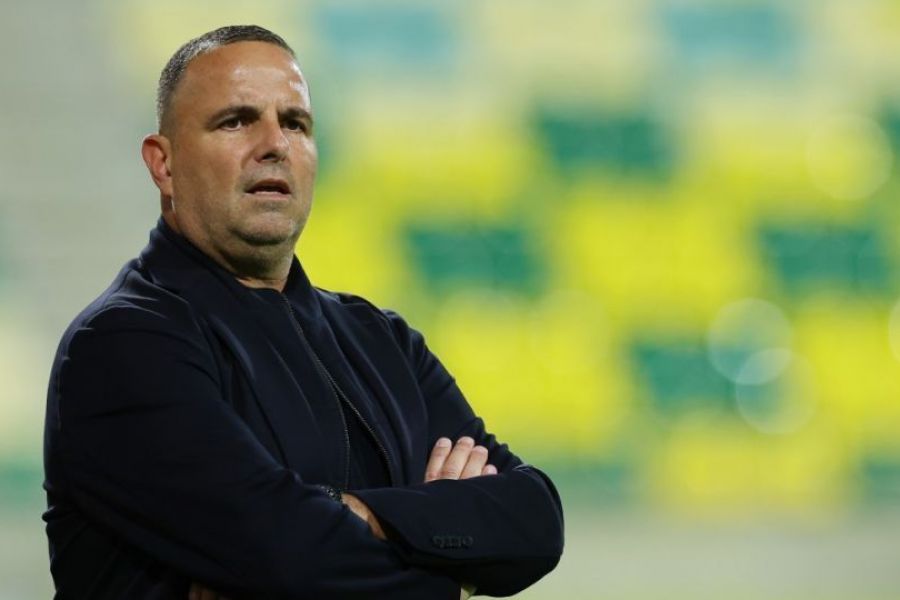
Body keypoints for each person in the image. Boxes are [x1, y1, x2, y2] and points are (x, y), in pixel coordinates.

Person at [42, 25, 564, 599]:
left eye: (295, 123)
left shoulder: (381, 340)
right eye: (235, 121)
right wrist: (448, 556)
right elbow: (287, 555)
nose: (275, 144)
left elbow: (535, 521)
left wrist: (347, 515)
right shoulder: (122, 344)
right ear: (163, 164)